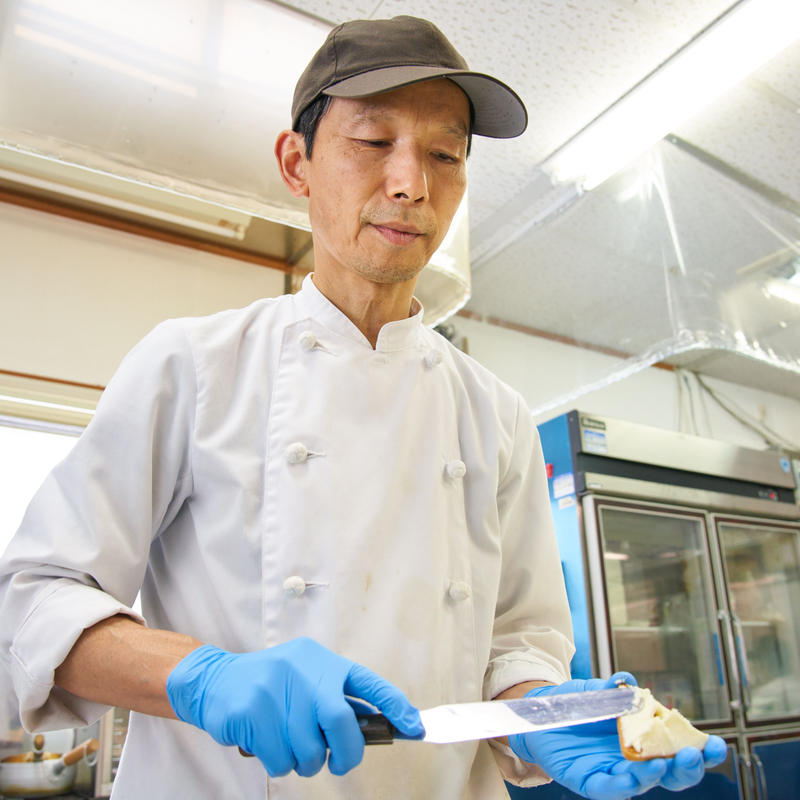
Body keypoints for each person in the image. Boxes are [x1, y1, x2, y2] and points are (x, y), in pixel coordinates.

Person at [0, 15, 725, 800]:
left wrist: (538, 711)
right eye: (375, 141)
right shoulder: (193, 366)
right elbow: (34, 600)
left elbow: (519, 640)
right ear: (297, 163)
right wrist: (203, 677)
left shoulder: (498, 414)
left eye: (444, 155)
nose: (412, 183)